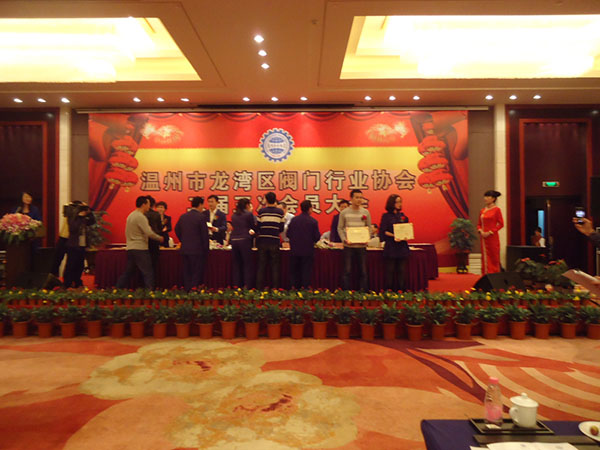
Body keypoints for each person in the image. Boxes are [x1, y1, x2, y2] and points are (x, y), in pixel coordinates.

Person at [116, 196, 164, 289]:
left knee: (128, 272)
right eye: (148, 204)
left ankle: (118, 289)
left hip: (131, 248)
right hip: (140, 248)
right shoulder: (141, 217)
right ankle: (150, 293)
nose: (149, 207)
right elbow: (148, 232)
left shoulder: (131, 215)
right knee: (148, 272)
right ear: (143, 205)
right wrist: (159, 238)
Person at [338, 189, 371, 291]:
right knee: (347, 271)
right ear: (351, 199)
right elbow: (340, 228)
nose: (359, 200)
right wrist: (344, 239)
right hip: (348, 246)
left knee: (363, 271)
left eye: (361, 197)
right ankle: (346, 294)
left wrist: (367, 238)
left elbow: (369, 227)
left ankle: (363, 293)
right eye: (357, 197)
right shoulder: (344, 212)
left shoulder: (365, 212)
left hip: (361, 246)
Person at [175, 196, 209, 291]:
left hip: (185, 249)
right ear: (200, 205)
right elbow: (204, 235)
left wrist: (183, 240)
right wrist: (206, 249)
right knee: (196, 272)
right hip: (197, 250)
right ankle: (193, 291)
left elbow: (177, 229)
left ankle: (187, 290)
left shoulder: (183, 216)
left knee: (187, 271)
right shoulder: (201, 217)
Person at [379, 194, 410, 291]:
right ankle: (389, 291)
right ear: (392, 203)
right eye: (397, 202)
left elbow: (407, 230)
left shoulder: (403, 216)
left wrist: (406, 235)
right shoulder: (386, 216)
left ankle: (401, 291)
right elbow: (383, 231)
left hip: (402, 246)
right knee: (390, 270)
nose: (399, 204)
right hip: (391, 246)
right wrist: (394, 236)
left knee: (402, 270)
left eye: (400, 202)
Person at [287, 200, 321, 289]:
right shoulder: (313, 221)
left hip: (294, 250)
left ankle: (294, 289)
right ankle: (305, 290)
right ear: (310, 209)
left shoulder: (294, 220)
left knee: (295, 271)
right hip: (307, 251)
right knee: (306, 271)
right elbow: (317, 237)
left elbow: (288, 234)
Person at [256, 192, 284, 288]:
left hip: (262, 241)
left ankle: (259, 289)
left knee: (261, 266)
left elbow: (258, 227)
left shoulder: (261, 211)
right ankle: (275, 289)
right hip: (275, 241)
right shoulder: (280, 212)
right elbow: (281, 228)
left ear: (266, 200)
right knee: (275, 266)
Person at [63, 203, 95, 288]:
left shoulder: (84, 219)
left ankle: (77, 281)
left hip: (82, 245)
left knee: (80, 265)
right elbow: (73, 228)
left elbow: (92, 221)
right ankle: (67, 283)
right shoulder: (72, 218)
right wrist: (79, 216)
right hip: (73, 245)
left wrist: (89, 211)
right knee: (71, 265)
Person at [52, 200, 83, 276]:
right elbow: (66, 212)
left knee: (71, 262)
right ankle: (53, 276)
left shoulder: (81, 216)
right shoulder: (68, 210)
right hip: (63, 237)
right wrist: (71, 206)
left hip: (73, 239)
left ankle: (67, 279)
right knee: (57, 259)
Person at [230, 198, 256, 288]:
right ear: (247, 205)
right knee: (247, 264)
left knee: (237, 264)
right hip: (244, 240)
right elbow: (252, 227)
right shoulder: (248, 214)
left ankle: (236, 285)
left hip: (234, 240)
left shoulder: (234, 215)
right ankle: (247, 285)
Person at [478, 190, 504, 274]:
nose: (485, 198)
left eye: (488, 196)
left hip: (492, 237)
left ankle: (494, 274)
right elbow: (479, 224)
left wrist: (490, 232)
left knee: (493, 256)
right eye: (485, 196)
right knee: (485, 256)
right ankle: (485, 274)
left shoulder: (496, 210)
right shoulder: (482, 210)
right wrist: (481, 231)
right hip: (483, 238)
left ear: (493, 199)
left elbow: (501, 224)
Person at [145, 196, 162, 287]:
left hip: (144, 241)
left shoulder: (142, 214)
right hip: (155, 241)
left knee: (144, 265)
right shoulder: (156, 214)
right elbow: (160, 228)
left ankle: (144, 286)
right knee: (154, 265)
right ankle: (153, 286)